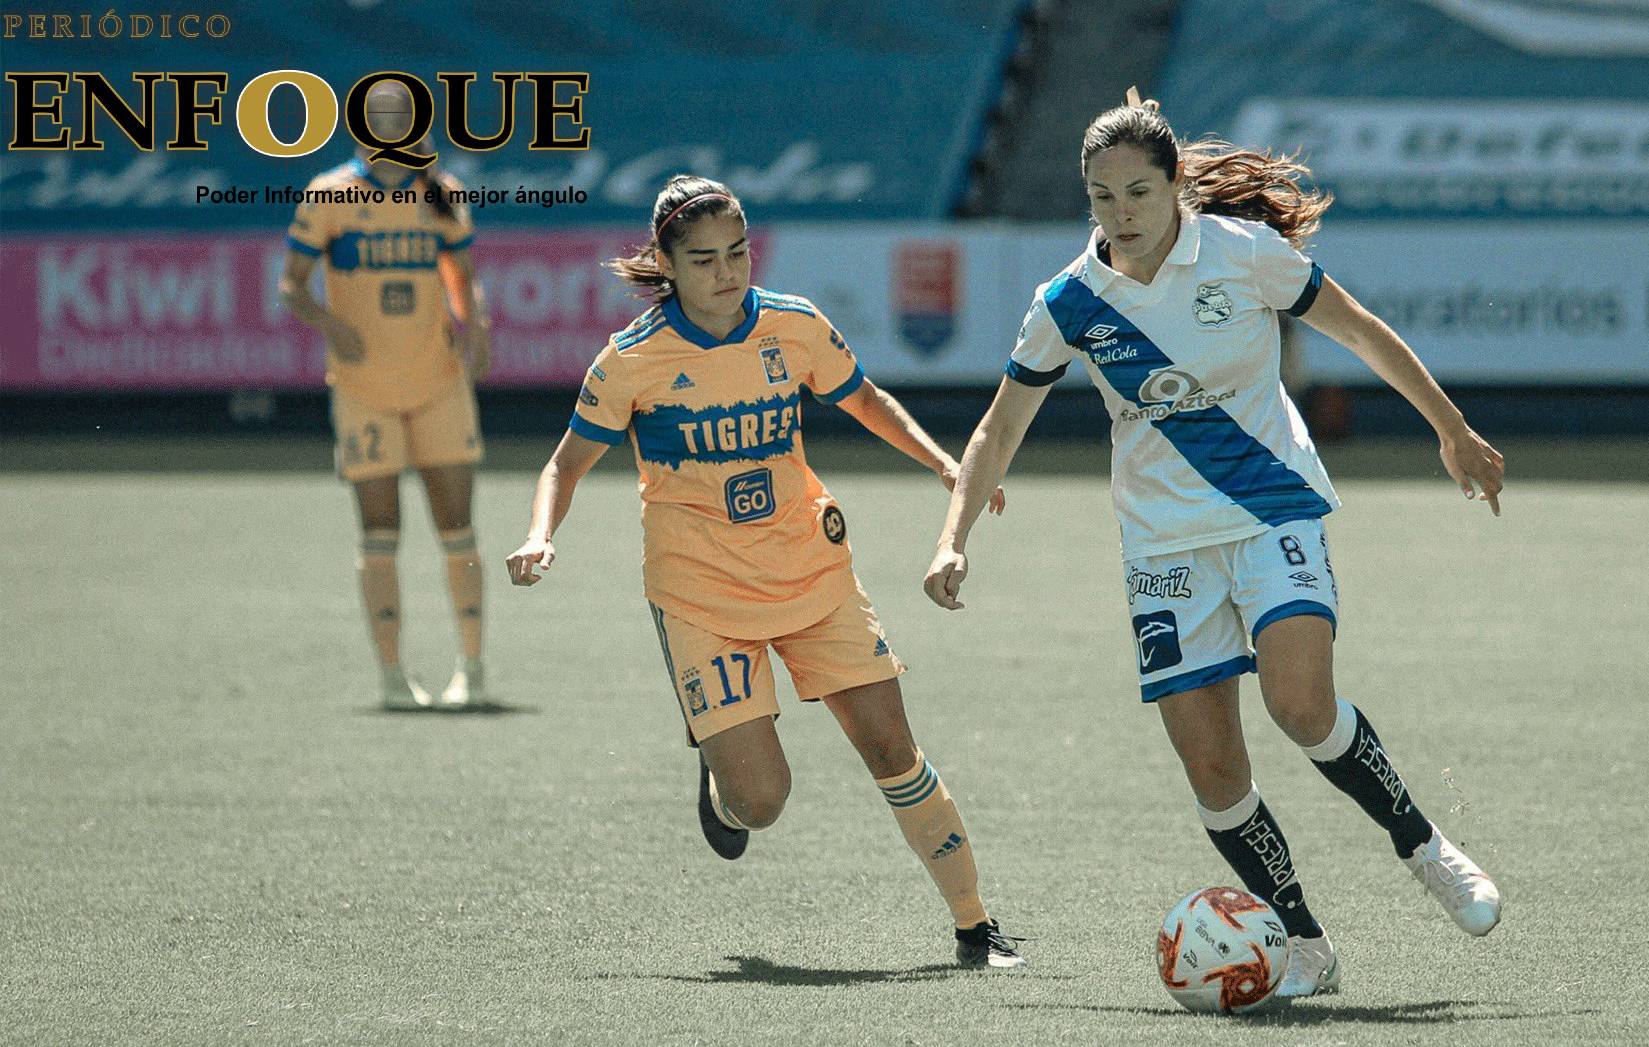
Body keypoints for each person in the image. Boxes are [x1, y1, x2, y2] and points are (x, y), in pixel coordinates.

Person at [924, 92, 1505, 995]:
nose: (1121, 214)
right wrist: (952, 538)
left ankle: (1424, 847)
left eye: (1138, 193)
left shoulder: (1243, 253)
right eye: (1102, 196)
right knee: (1213, 768)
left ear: (1175, 189)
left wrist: (1450, 428)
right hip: (1162, 548)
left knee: (1300, 705)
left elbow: (1358, 329)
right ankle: (1303, 941)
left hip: (1271, 506)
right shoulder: (1068, 301)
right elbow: (997, 429)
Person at [505, 175, 1024, 967]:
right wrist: (540, 534)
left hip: (810, 572)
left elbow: (864, 399)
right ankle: (719, 771)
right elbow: (564, 464)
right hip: (700, 594)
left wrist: (944, 464)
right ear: (665, 265)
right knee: (760, 801)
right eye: (703, 259)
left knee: (892, 748)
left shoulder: (794, 324)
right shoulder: (631, 359)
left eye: (738, 252)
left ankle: (974, 925)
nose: (726, 271)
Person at [279, 81, 492, 710]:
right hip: (364, 389)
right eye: (379, 115)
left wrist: (475, 328)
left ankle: (472, 671)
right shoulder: (329, 195)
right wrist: (331, 323)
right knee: (379, 530)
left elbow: (463, 276)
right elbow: (291, 285)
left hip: (437, 383)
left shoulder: (441, 194)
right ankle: (393, 677)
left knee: (457, 528)